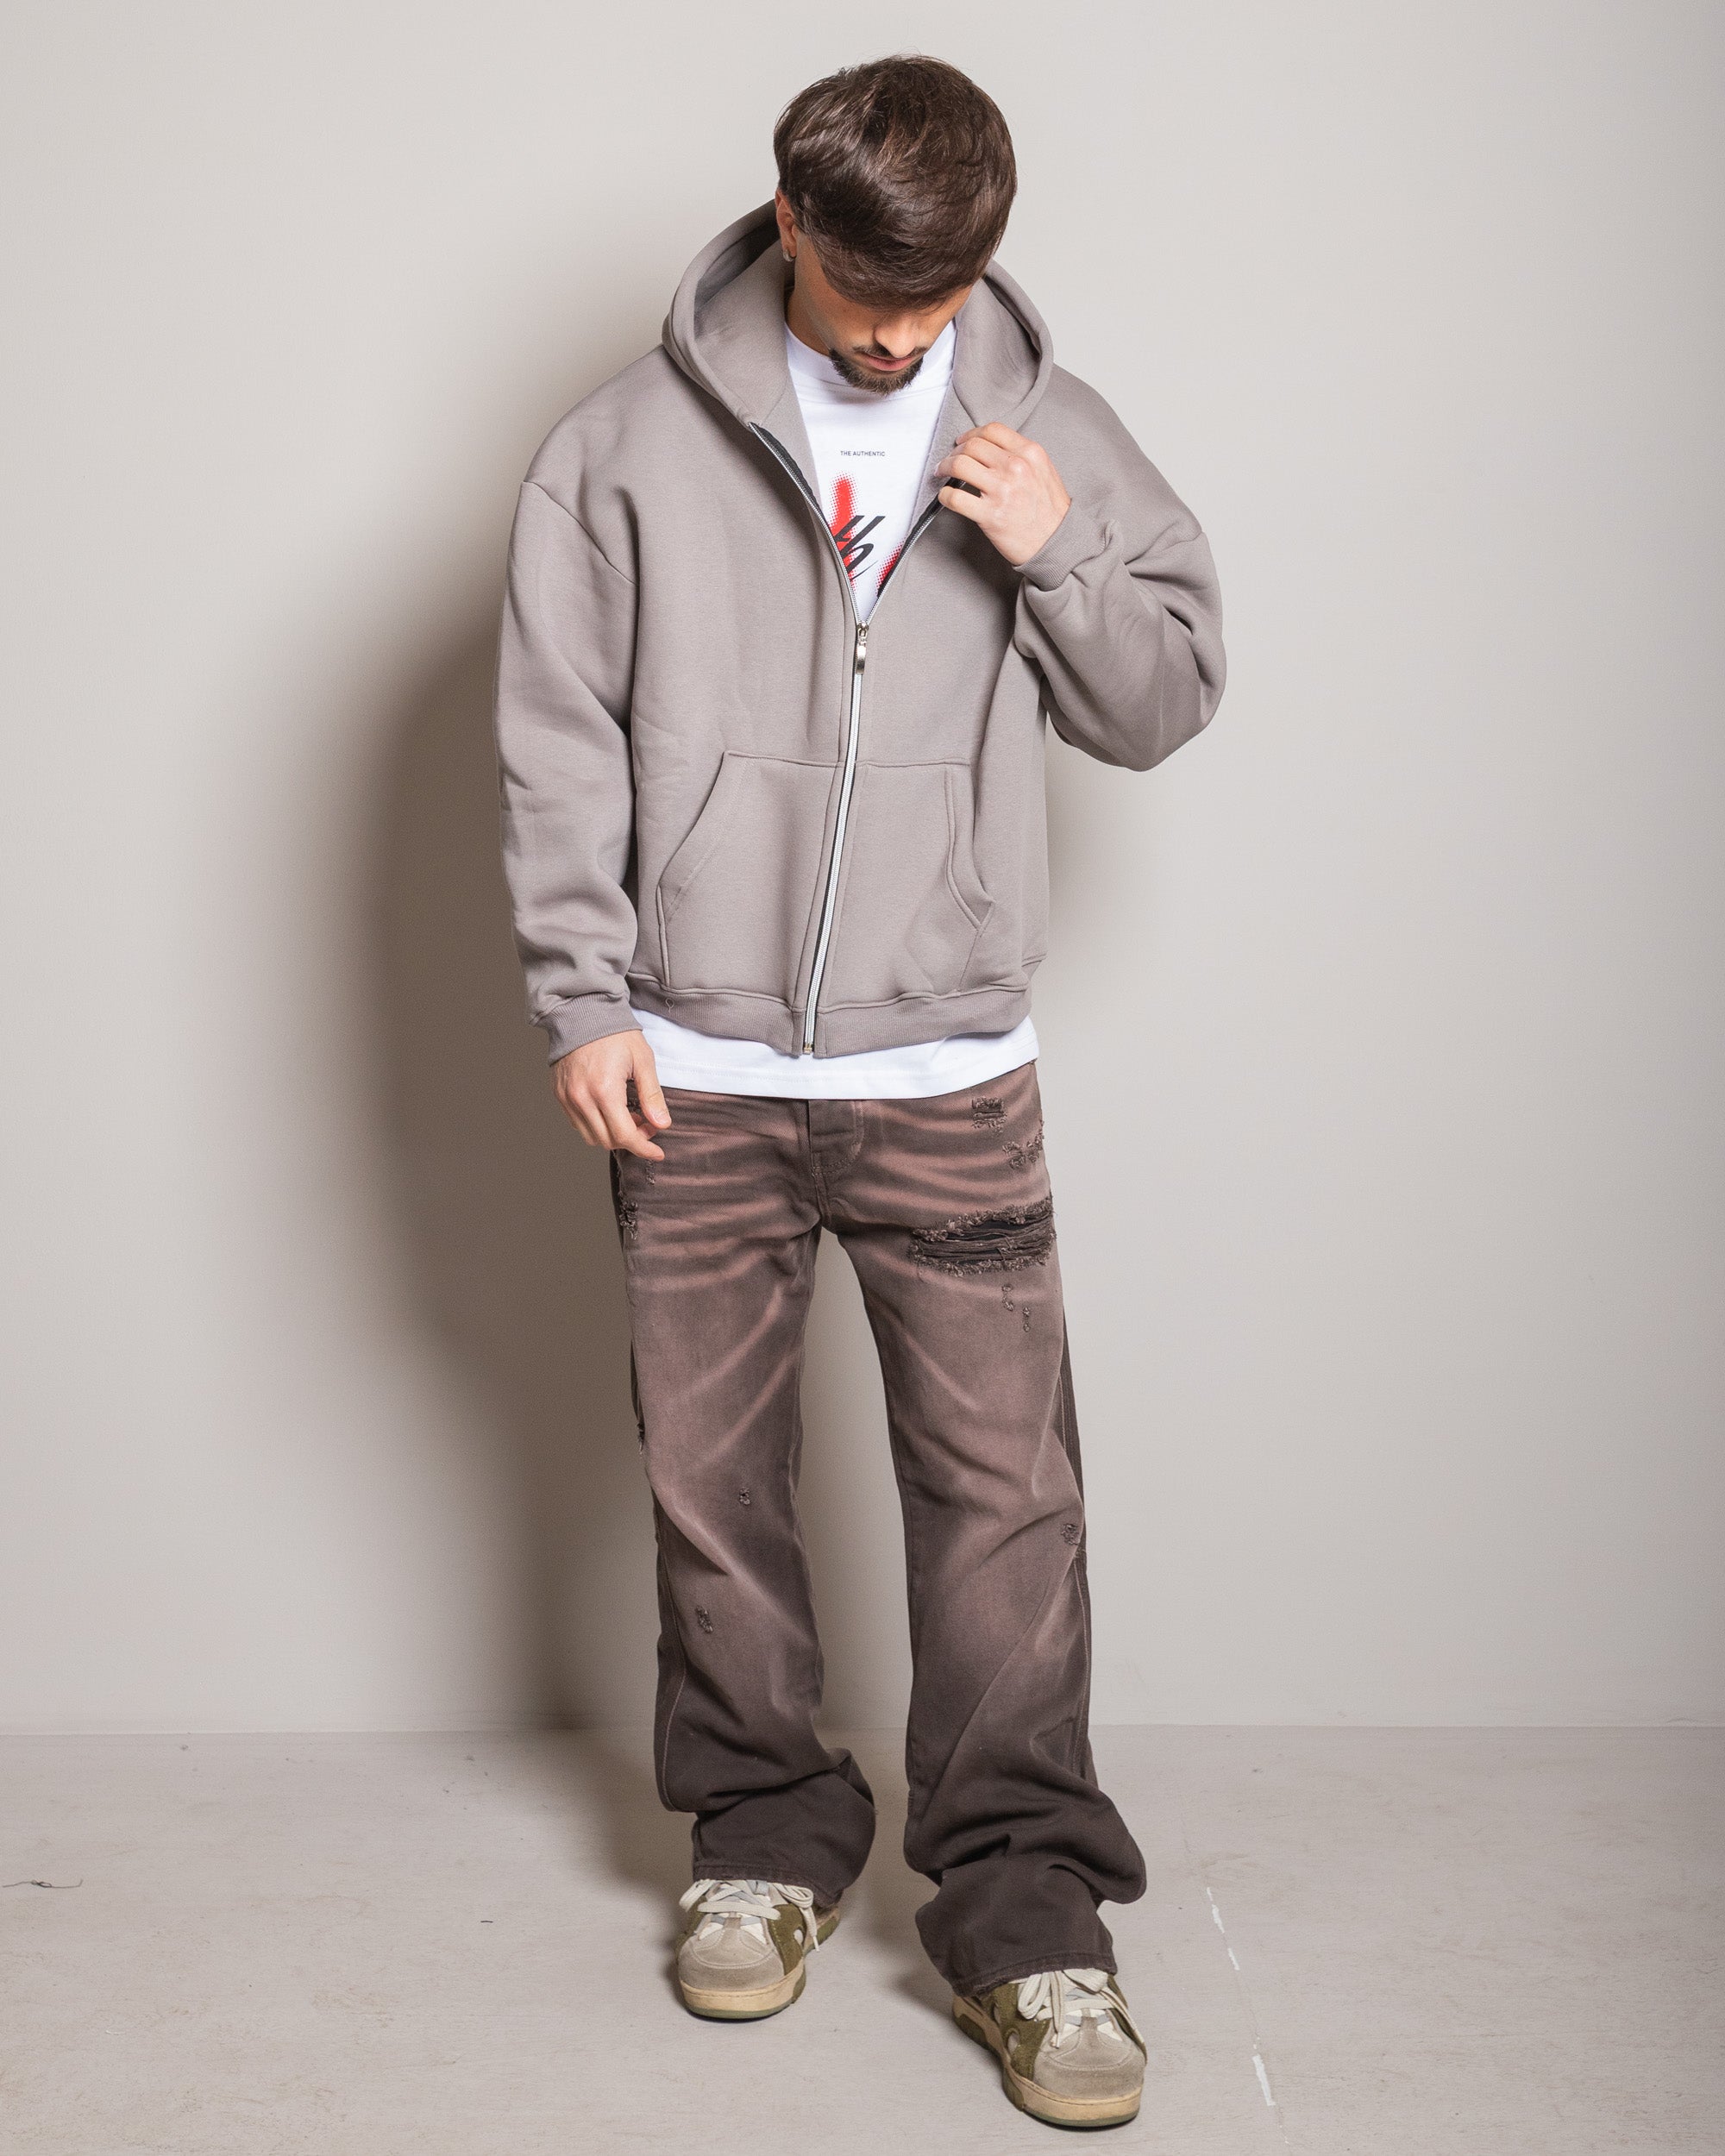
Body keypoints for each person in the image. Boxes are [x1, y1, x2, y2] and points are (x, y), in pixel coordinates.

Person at [492, 53, 1225, 2130]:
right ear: (792, 220)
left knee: (1006, 1510)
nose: (907, 338)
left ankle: (1029, 1909)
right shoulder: (622, 448)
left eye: (946, 295)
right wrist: (581, 995)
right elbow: (554, 732)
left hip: (949, 1064)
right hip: (694, 1064)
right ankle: (761, 1835)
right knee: (711, 1492)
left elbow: (1166, 699)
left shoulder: (1046, 428)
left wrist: (1061, 555)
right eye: (873, 294)